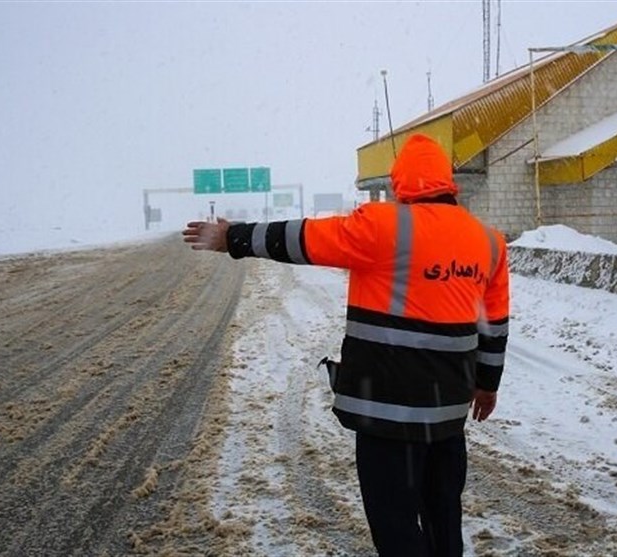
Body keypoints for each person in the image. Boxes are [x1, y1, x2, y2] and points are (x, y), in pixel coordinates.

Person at [182, 133, 509, 557]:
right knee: (444, 515)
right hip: (448, 415)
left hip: (387, 413)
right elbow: (495, 324)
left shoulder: (381, 225)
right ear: (449, 182)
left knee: (395, 526)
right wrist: (488, 383)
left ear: (401, 183)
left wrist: (234, 238)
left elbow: (302, 239)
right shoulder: (489, 241)